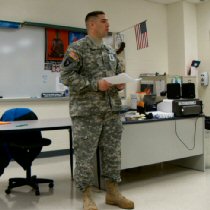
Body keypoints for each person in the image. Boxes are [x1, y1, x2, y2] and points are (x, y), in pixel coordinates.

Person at [60, 11, 134, 210]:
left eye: (108, 21)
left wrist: (119, 84)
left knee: (113, 154)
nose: (108, 25)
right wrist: (95, 84)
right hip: (86, 113)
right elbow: (66, 77)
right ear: (92, 25)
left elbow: (117, 74)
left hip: (111, 111)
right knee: (85, 156)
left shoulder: (110, 51)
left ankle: (112, 193)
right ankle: (86, 197)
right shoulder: (77, 48)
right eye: (104, 21)